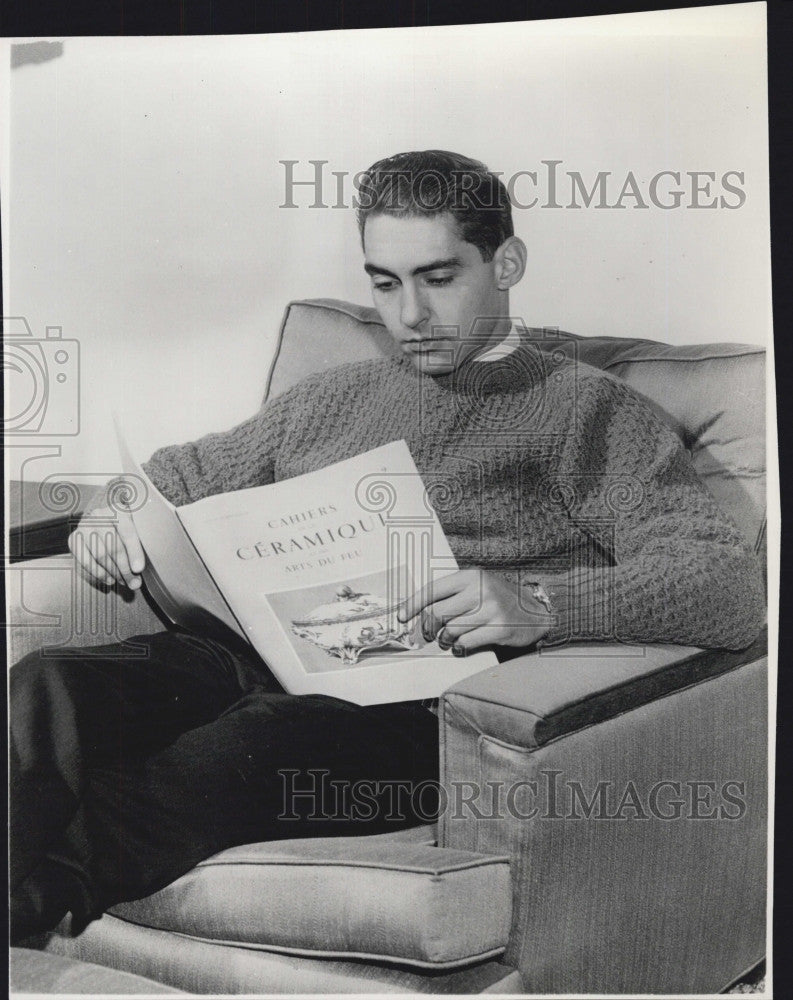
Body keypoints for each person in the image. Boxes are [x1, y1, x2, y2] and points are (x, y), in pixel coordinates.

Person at [10, 150, 765, 943]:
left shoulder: (587, 412)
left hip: (424, 699)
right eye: (384, 282)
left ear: (504, 263)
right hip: (259, 652)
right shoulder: (339, 393)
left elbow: (724, 584)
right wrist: (109, 515)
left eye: (438, 278)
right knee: (50, 681)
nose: (408, 315)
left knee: (256, 741)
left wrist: (541, 606)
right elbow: (172, 476)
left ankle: (36, 897)